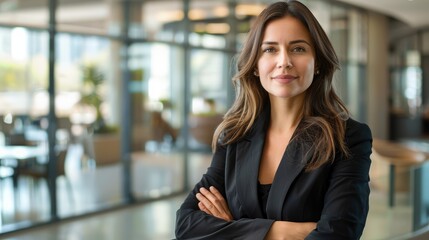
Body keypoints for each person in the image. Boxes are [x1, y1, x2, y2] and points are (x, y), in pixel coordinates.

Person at [175, 0, 372, 239]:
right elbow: (186, 224)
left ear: (317, 62)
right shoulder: (235, 135)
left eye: (298, 48)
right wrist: (280, 232)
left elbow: (339, 234)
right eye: (270, 49)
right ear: (256, 65)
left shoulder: (347, 138)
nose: (284, 61)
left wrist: (233, 227)